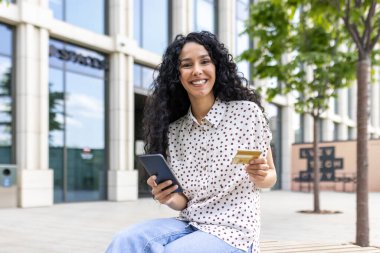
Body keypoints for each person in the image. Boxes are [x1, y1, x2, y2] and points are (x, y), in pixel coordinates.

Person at [105, 31, 277, 253]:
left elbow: (271, 176)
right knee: (125, 240)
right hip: (190, 223)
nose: (197, 70)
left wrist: (262, 175)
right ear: (178, 74)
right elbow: (184, 201)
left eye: (205, 61)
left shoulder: (246, 113)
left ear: (217, 67)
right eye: (187, 65)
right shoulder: (175, 131)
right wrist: (167, 196)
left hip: (234, 231)